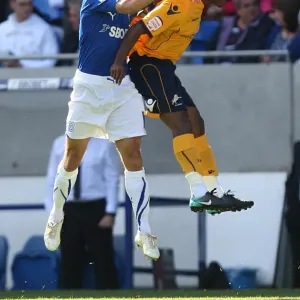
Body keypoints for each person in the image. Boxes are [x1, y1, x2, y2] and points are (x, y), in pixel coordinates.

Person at [44, 0, 163, 262]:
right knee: (72, 157)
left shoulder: (135, 8)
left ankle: (144, 230)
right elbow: (124, 7)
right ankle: (56, 215)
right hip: (89, 89)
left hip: (123, 87)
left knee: (133, 157)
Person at [110, 0, 254, 215]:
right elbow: (139, 28)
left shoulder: (196, 7)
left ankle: (214, 191)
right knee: (182, 124)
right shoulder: (180, 3)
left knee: (196, 123)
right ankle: (198, 193)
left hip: (164, 66)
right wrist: (119, 62)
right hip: (147, 64)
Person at [45, 135, 120, 289]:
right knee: (69, 259)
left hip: (96, 207)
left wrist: (110, 212)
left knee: (102, 258)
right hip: (68, 207)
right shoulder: (59, 144)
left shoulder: (104, 145)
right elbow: (52, 178)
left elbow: (112, 178)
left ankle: (109, 293)